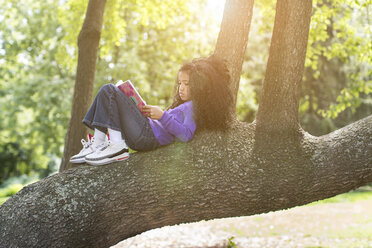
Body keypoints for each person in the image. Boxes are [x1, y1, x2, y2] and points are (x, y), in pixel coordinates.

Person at [69, 55, 233, 166]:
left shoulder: (193, 107)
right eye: (180, 83)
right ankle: (98, 144)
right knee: (110, 93)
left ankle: (115, 145)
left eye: (187, 84)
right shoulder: (186, 105)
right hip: (145, 132)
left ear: (199, 87)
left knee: (109, 91)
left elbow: (185, 135)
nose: (181, 88)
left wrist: (162, 116)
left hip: (147, 136)